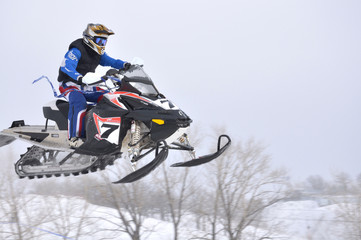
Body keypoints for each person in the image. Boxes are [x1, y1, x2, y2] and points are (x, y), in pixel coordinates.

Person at [57, 23, 130, 148]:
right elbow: (67, 66)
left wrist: (126, 65)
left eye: (104, 41)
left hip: (85, 84)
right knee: (78, 100)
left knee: (110, 98)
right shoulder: (77, 49)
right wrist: (79, 77)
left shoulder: (98, 54)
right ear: (89, 38)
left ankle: (106, 133)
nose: (102, 44)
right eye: (100, 40)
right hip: (69, 84)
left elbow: (111, 61)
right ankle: (74, 138)